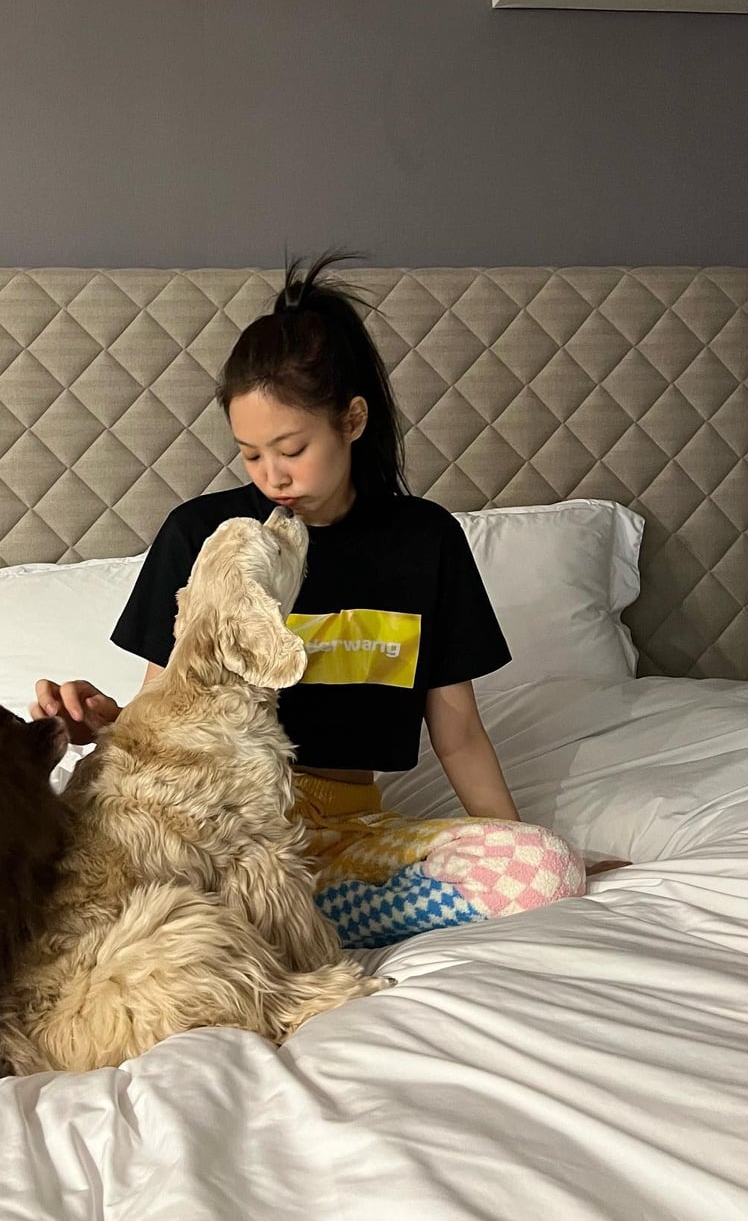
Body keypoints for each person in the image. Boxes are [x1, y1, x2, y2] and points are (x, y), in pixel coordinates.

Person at [33, 254, 585, 945]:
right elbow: (170, 710)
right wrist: (103, 722)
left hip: (348, 833)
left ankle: (285, 924)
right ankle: (268, 924)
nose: (272, 477)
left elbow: (460, 735)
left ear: (352, 419)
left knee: (544, 871)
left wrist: (518, 849)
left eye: (291, 449)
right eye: (250, 454)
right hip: (221, 831)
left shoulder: (425, 541)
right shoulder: (205, 537)